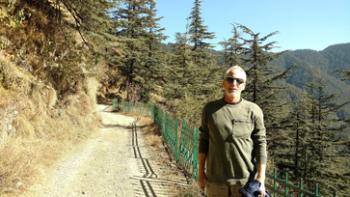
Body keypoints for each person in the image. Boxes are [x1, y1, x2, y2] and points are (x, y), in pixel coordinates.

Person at [198, 65, 267, 197]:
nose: (234, 84)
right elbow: (203, 141)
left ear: (244, 86)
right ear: (223, 82)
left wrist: (261, 178)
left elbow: (261, 144)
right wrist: (200, 173)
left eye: (239, 81)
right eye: (230, 79)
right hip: (215, 182)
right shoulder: (210, 109)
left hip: (245, 183)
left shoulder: (253, 110)